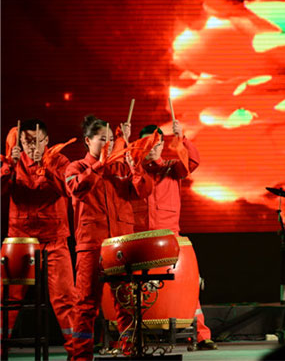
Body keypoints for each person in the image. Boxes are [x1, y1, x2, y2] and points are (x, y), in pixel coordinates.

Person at [64, 115, 153, 360]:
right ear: (88, 141)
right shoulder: (76, 168)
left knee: (127, 303)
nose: (108, 144)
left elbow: (144, 191)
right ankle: (81, 356)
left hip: (121, 246)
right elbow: (76, 189)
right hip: (91, 246)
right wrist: (98, 166)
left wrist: (135, 166)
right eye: (102, 139)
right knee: (86, 304)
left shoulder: (122, 167)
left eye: (111, 139)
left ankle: (131, 351)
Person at [137, 121, 217, 350]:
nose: (152, 148)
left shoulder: (172, 169)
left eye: (157, 144)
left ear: (163, 145)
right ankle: (128, 336)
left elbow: (193, 162)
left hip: (170, 237)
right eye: (147, 144)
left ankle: (201, 334)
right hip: (141, 239)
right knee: (134, 289)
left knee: (187, 285)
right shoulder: (134, 172)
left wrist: (182, 138)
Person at [0, 119, 76, 358]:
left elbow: (69, 190)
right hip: (20, 240)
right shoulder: (12, 162)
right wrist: (8, 166)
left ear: (47, 141)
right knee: (6, 299)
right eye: (27, 142)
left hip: (54, 239)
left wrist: (47, 167)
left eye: (36, 141)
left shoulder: (60, 161)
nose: (32, 147)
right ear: (20, 142)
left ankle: (78, 351)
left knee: (65, 298)